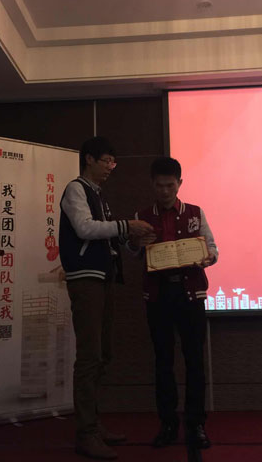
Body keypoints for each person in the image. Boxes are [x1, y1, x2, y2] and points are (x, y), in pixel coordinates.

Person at [59, 136, 154, 460]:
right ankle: (86, 433)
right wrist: (127, 226)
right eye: (107, 161)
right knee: (90, 356)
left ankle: (94, 424)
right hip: (86, 277)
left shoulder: (99, 194)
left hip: (103, 277)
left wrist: (133, 237)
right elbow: (85, 229)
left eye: (114, 161)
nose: (112, 167)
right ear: (89, 159)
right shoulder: (76, 189)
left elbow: (108, 233)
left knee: (102, 354)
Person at [128, 157, 218, 450]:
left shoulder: (195, 212)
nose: (165, 191)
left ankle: (196, 424)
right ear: (152, 184)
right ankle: (167, 423)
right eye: (159, 185)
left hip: (190, 295)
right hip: (158, 296)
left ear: (179, 183)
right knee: (163, 362)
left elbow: (212, 248)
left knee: (195, 361)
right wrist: (136, 244)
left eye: (170, 185)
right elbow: (132, 252)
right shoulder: (142, 216)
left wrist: (209, 257)